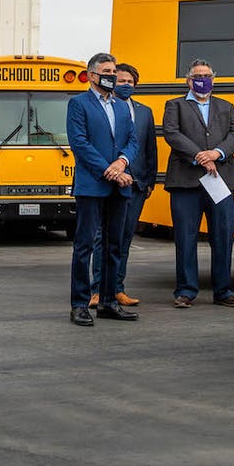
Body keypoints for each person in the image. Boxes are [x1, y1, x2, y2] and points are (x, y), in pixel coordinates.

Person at [163, 59, 234, 309]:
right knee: (185, 238)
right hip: (185, 183)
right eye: (198, 75)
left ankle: (223, 290)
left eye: (208, 75)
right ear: (189, 80)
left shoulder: (226, 106)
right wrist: (200, 156)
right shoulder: (174, 105)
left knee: (223, 236)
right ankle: (186, 290)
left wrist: (217, 153)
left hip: (220, 180)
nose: (203, 79)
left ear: (214, 78)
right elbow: (171, 133)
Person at [65, 52, 139, 327]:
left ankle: (108, 301)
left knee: (114, 246)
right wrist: (109, 170)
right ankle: (80, 304)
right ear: (92, 75)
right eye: (107, 71)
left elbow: (132, 140)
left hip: (119, 186)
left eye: (114, 71)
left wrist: (121, 163)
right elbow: (80, 143)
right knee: (85, 246)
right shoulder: (78, 104)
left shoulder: (121, 106)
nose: (112, 76)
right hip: (91, 186)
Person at [90, 63, 157, 308]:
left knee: (124, 238)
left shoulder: (145, 111)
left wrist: (150, 179)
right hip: (107, 179)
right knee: (102, 238)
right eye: (120, 81)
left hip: (136, 183)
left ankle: (117, 288)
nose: (125, 85)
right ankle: (97, 290)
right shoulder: (101, 108)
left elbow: (150, 146)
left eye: (130, 81)